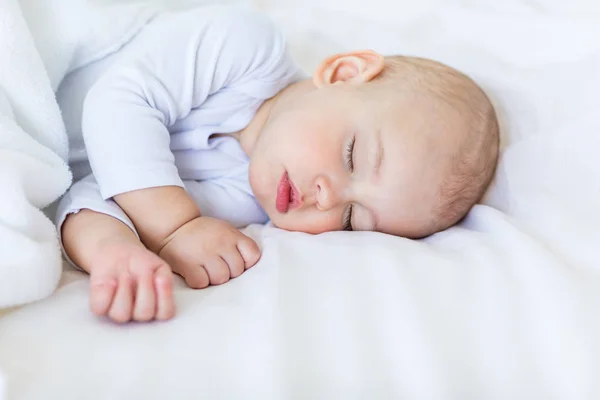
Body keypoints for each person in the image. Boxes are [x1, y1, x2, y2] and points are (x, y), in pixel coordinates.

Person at [55, 6, 500, 323]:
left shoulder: (247, 202)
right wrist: (175, 228)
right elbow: (119, 102)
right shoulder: (246, 47)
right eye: (351, 156)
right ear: (344, 73)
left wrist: (114, 251)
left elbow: (98, 193)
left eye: (349, 218)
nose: (327, 197)